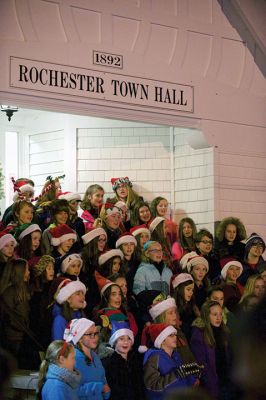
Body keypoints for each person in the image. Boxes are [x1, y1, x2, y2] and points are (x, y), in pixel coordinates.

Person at [141, 323, 200, 400]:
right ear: (162, 340)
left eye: (175, 335)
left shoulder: (176, 355)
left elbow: (182, 378)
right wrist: (177, 375)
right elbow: (152, 386)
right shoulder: (154, 358)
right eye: (171, 335)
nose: (175, 337)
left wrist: (192, 379)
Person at [190, 301, 232, 399]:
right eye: (214, 314)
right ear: (206, 315)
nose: (218, 318)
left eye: (220, 314)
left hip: (226, 381)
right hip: (212, 385)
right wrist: (211, 383)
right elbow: (202, 364)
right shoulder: (199, 335)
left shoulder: (224, 330)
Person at [64, 318, 111, 400]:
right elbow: (70, 390)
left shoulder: (95, 357)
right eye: (90, 334)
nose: (95, 337)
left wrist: (106, 392)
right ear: (80, 337)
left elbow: (103, 379)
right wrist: (99, 387)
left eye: (96, 333)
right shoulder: (72, 359)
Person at [0, 258, 31, 368]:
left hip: (20, 337)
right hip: (13, 338)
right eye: (27, 269)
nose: (29, 272)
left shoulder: (21, 290)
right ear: (19, 271)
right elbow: (11, 316)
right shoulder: (10, 292)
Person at [103, 321, 145, 400]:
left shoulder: (136, 360)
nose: (126, 342)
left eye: (128, 339)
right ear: (115, 342)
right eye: (121, 339)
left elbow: (141, 386)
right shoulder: (109, 364)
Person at [148, 295, 196, 364]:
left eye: (175, 312)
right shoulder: (157, 338)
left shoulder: (178, 332)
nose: (175, 315)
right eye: (170, 313)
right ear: (162, 317)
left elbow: (189, 354)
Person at [80, 227, 107, 317]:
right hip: (87, 300)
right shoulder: (83, 259)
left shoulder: (103, 258)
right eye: (99, 240)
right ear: (93, 241)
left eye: (104, 240)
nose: (102, 243)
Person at [30, 255, 55, 348]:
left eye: (53, 268)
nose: (52, 271)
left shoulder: (51, 288)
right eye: (49, 268)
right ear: (42, 270)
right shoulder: (36, 293)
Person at [171, 273, 199, 341]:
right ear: (178, 289)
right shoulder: (173, 308)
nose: (191, 292)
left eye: (192, 290)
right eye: (188, 289)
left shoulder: (193, 305)